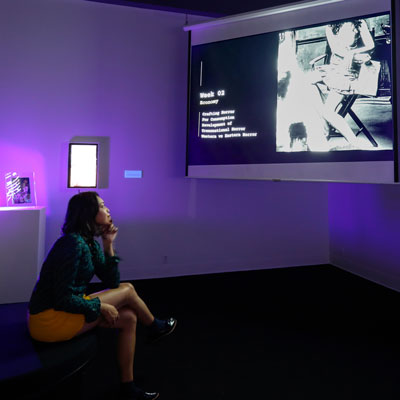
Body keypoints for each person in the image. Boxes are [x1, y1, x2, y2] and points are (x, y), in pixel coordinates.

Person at [28, 191, 177, 400]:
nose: (108, 209)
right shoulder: (72, 244)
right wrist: (99, 306)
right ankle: (154, 327)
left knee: (129, 318)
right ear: (88, 212)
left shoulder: (88, 243)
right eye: (102, 206)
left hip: (62, 311)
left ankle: (128, 387)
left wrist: (108, 244)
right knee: (129, 290)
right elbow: (63, 298)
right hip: (47, 319)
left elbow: (112, 282)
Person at [310, 18, 376, 149]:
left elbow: (371, 45)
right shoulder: (330, 25)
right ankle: (325, 124)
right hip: (334, 68)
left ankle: (354, 142)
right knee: (306, 82)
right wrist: (354, 54)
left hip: (348, 71)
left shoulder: (359, 22)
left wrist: (352, 53)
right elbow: (336, 50)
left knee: (328, 112)